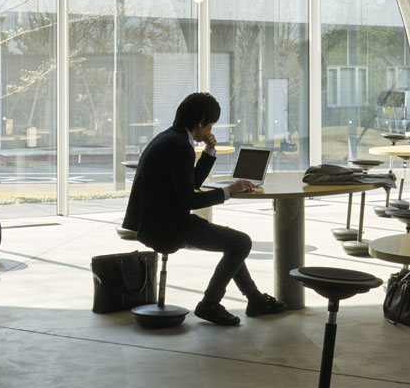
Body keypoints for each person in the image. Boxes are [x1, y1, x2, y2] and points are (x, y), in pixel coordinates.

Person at [123, 91, 287, 326]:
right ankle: (210, 303)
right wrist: (229, 190)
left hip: (154, 221)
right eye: (211, 125)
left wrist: (209, 152)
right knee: (241, 243)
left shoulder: (169, 138)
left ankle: (255, 299)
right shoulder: (180, 147)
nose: (211, 130)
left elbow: (190, 184)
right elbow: (190, 199)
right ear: (200, 123)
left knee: (234, 244)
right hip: (168, 227)